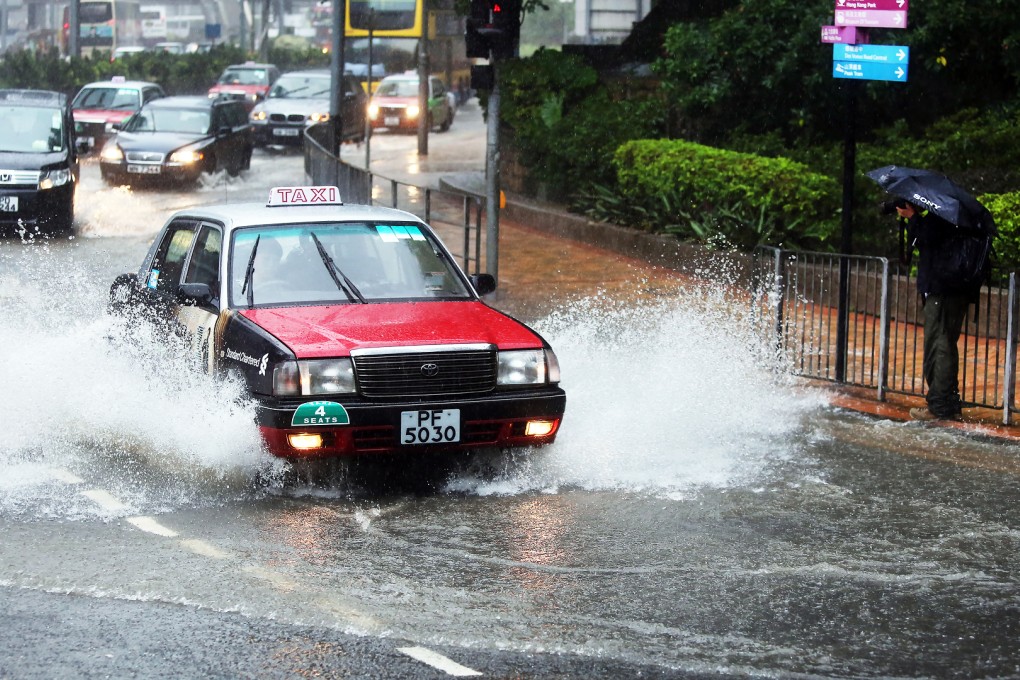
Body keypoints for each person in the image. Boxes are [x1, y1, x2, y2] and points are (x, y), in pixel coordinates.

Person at [895, 199, 973, 421]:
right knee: (946, 344)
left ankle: (939, 407)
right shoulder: (956, 219)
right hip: (954, 290)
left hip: (942, 291)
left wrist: (912, 218)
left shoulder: (940, 220)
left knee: (939, 346)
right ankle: (949, 403)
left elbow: (925, 240)